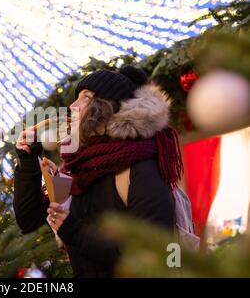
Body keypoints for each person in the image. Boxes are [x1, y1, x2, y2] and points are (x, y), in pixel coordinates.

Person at [13, 65, 183, 277]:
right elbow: (28, 220)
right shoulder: (77, 168)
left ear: (107, 106)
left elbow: (152, 255)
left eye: (85, 97)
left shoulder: (139, 168)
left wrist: (75, 231)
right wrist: (28, 161)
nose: (73, 105)